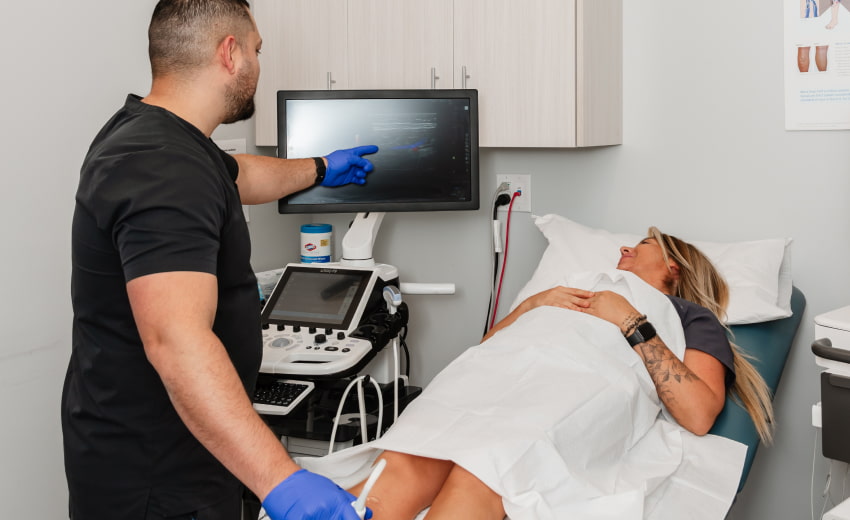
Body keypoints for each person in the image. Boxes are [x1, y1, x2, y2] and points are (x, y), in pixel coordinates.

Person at [62, 1, 376, 519]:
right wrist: (284, 481)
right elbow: (176, 341)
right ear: (229, 53)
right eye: (256, 49)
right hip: (156, 475)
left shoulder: (156, 135)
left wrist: (321, 168)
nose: (258, 61)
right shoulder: (164, 166)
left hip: (167, 445)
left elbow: (240, 176)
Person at [342, 227, 775, 520]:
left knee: (485, 470)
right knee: (409, 453)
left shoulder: (689, 317)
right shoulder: (572, 284)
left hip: (573, 386)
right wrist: (533, 305)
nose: (624, 249)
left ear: (674, 267)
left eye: (641, 244)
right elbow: (485, 351)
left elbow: (698, 413)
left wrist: (630, 321)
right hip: (490, 378)